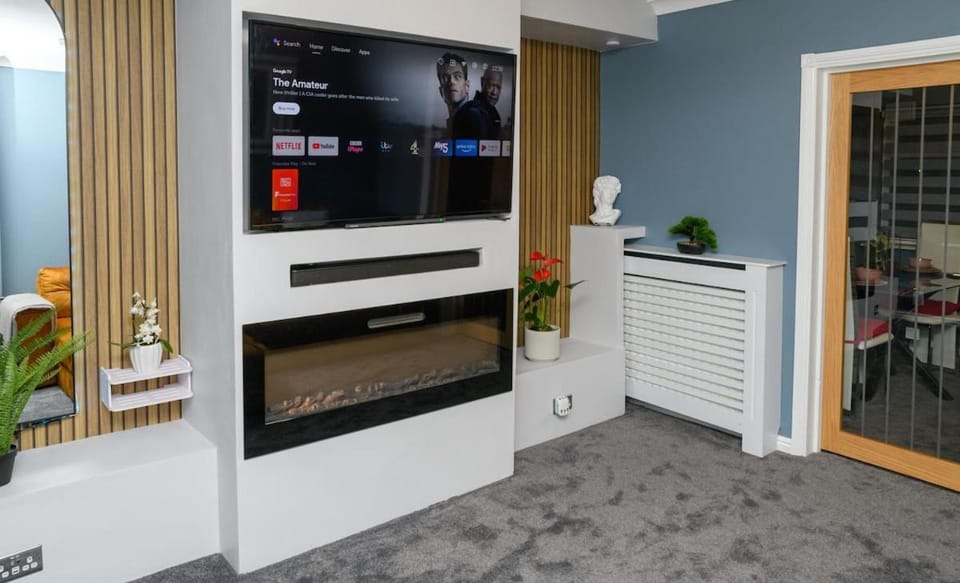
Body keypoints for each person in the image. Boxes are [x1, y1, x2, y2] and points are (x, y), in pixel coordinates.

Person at [470, 68, 503, 139]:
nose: (494, 92)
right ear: (482, 82)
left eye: (498, 87)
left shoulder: (492, 112)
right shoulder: (475, 113)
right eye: (491, 85)